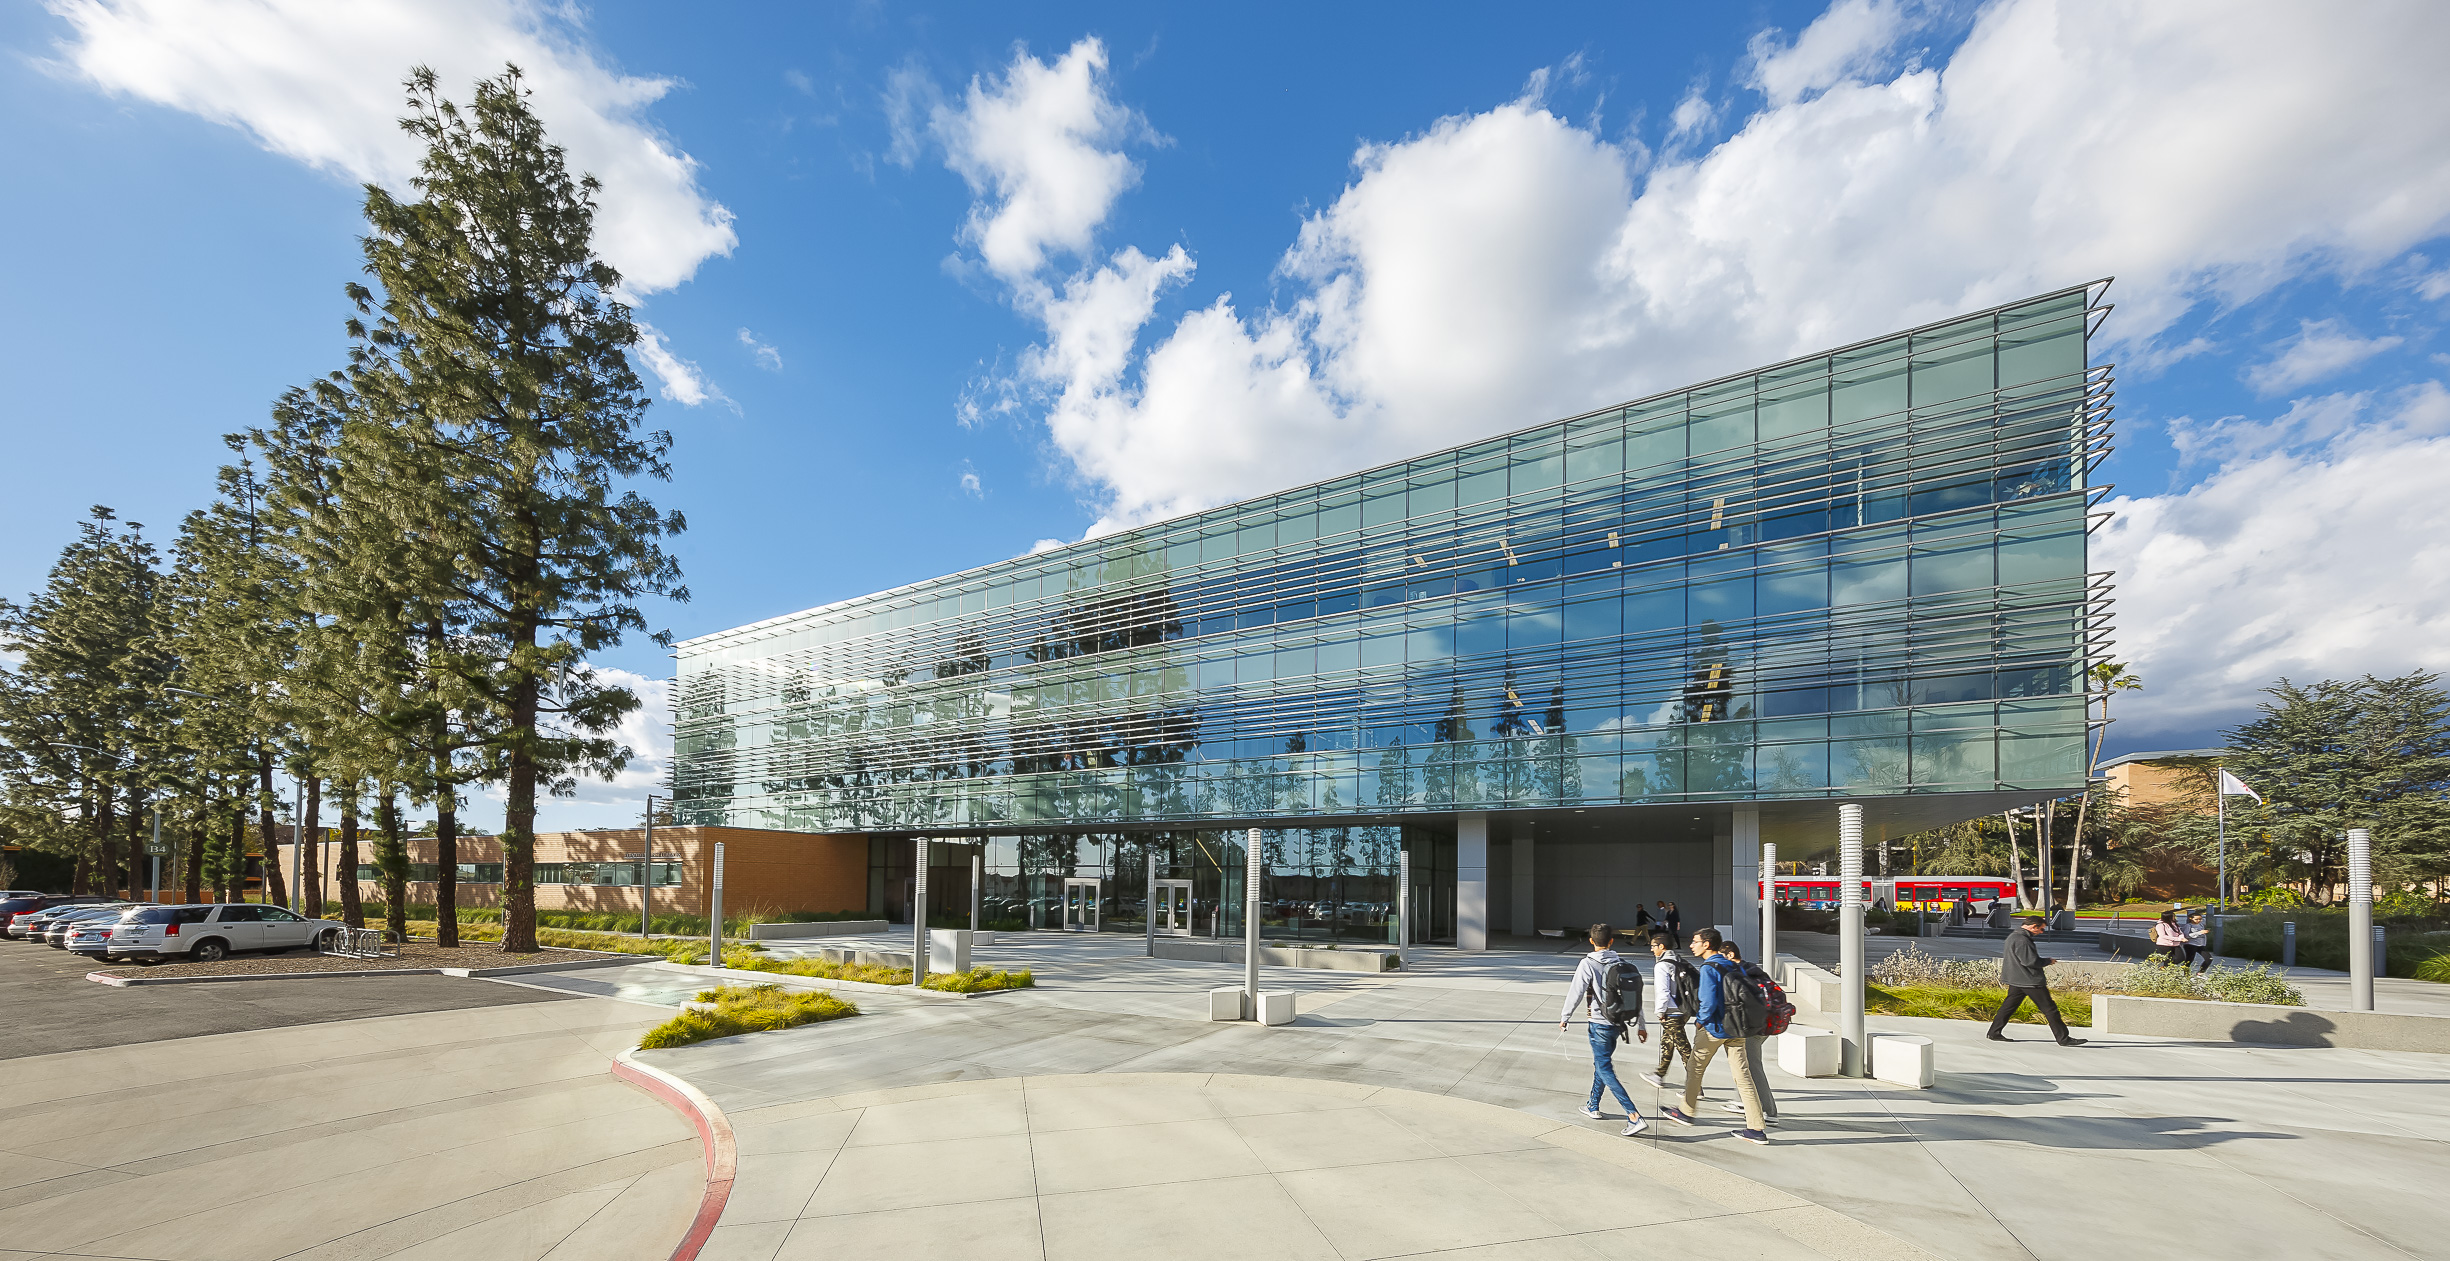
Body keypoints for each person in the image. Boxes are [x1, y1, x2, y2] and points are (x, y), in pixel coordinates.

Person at [1658, 928, 1770, 1145]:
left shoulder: (1709, 968)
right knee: (1743, 1077)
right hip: (1737, 1029)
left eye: (1695, 941)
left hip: (1714, 1029)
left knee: (1694, 1068)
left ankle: (1686, 1112)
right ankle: (1756, 1128)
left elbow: (1708, 1002)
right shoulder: (1732, 965)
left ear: (1707, 944)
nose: (1691, 945)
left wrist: (1700, 1021)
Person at [1558, 921, 1648, 1136]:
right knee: (1602, 1063)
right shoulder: (1621, 963)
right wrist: (1641, 1025)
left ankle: (1633, 1115)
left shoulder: (1587, 963)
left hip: (1599, 1023)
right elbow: (1635, 995)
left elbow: (1576, 992)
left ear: (1591, 941)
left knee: (1604, 1067)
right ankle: (1593, 1105)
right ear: (1611, 941)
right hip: (1618, 1023)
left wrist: (1565, 1017)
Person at [1987, 918, 2086, 1046]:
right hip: (2030, 980)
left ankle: (1994, 1032)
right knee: (2050, 1009)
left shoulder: (2013, 936)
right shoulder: (2023, 940)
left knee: (2008, 1007)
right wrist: (2047, 961)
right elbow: (2030, 961)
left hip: (2016, 979)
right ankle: (2063, 1039)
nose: (2042, 932)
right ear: (2034, 926)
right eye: (2041, 929)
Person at [1712, 941, 1780, 1126]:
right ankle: (1743, 1101)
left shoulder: (1740, 973)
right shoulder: (1751, 969)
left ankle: (1768, 1111)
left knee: (1751, 1066)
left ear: (1731, 955)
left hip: (1754, 1027)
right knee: (1743, 1063)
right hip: (1762, 1023)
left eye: (1721, 957)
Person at [1638, 929, 1696, 1089]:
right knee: (1667, 1042)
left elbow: (1663, 991)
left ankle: (1695, 1086)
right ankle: (1659, 1074)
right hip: (1683, 1009)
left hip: (1671, 1012)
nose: (1651, 949)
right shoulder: (1678, 961)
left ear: (1661, 946)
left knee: (1684, 1048)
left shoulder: (1662, 965)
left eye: (1653, 946)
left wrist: (1660, 1011)